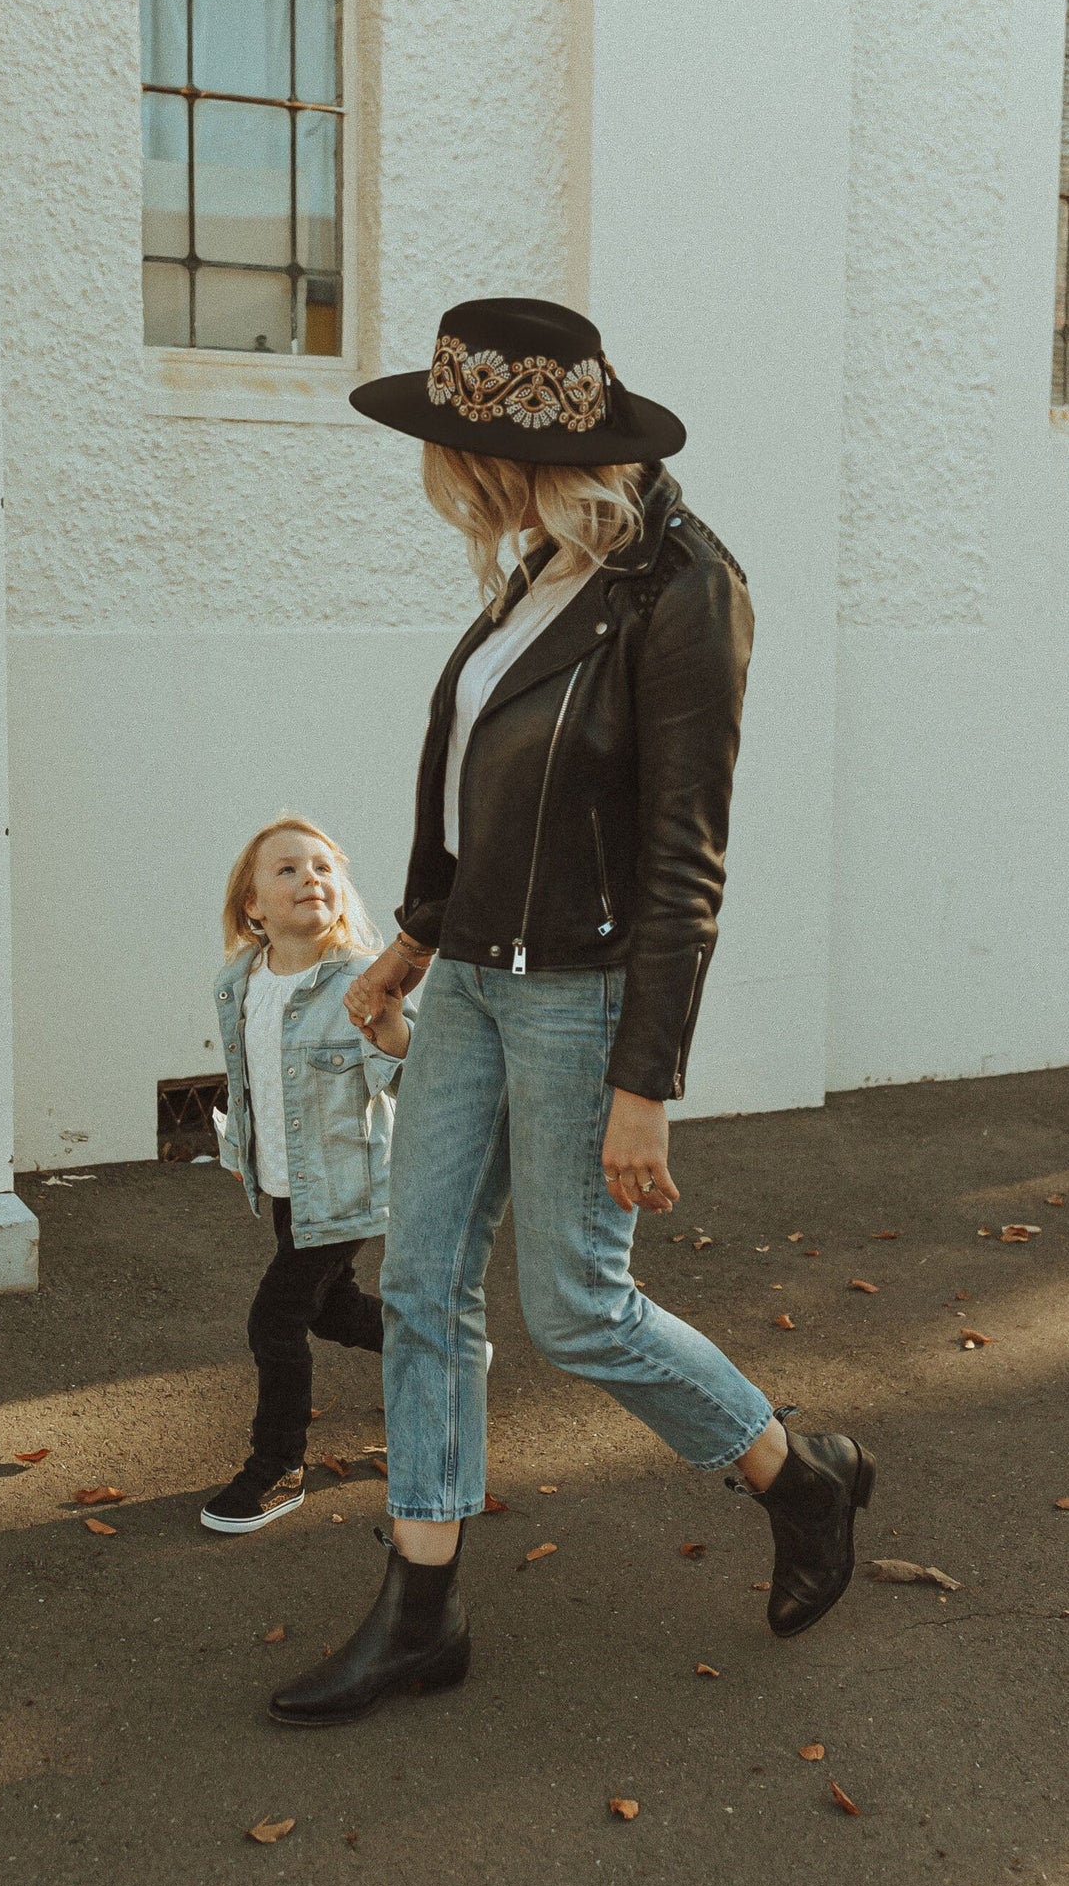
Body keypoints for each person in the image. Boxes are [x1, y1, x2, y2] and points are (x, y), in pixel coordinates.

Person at [268, 297, 876, 1725]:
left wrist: (644, 1079)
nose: (452, 489)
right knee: (419, 1287)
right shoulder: (540, 564)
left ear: (526, 456)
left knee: (577, 1310)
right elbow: (484, 777)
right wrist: (417, 937)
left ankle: (798, 1472)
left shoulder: (683, 590)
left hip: (581, 1002)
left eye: (463, 459)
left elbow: (683, 857)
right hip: (475, 984)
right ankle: (422, 1609)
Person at [201, 818, 411, 1535]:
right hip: (285, 1182)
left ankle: (277, 1469)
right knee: (330, 1307)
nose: (309, 879)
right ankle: (441, 1345)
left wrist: (389, 1027)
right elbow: (250, 1081)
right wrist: (248, 1159)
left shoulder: (360, 978)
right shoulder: (240, 981)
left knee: (277, 1319)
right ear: (252, 906)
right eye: (287, 870)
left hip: (345, 1186)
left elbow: (399, 1066)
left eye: (322, 868)